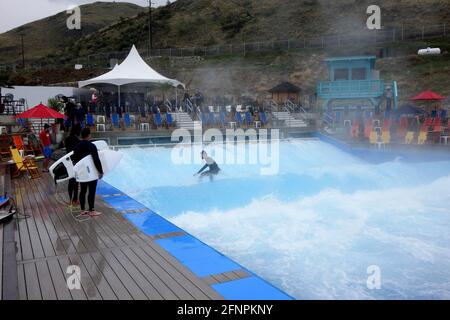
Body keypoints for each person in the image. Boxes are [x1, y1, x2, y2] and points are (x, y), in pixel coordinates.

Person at [72, 128, 103, 217]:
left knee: (83, 191)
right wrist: (100, 171)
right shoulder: (92, 146)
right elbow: (96, 159)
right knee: (92, 191)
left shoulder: (77, 146)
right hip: (92, 172)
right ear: (89, 135)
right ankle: (91, 210)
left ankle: (82, 210)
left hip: (82, 172)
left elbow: (74, 160)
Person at [64, 124, 81, 206]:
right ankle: (75, 199)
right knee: (76, 181)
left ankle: (70, 199)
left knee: (70, 181)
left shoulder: (67, 139)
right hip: (76, 162)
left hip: (68, 162)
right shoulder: (77, 141)